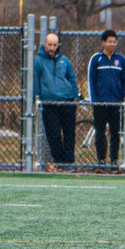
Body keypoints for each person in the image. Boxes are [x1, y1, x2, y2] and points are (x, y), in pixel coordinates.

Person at [34, 31, 80, 171]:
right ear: (45, 45)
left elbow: (71, 78)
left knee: (69, 133)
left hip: (67, 102)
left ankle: (69, 162)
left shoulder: (64, 60)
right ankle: (60, 161)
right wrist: (37, 97)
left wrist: (75, 95)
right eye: (50, 44)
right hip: (49, 103)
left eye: (55, 45)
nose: (52, 47)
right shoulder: (38, 61)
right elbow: (35, 81)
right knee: (53, 134)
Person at [86, 30, 125, 170]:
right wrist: (95, 100)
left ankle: (114, 161)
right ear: (103, 42)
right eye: (109, 41)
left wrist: (124, 99)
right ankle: (101, 160)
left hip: (116, 103)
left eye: (114, 42)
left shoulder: (121, 60)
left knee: (115, 132)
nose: (112, 44)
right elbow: (91, 81)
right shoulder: (96, 59)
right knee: (100, 132)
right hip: (100, 103)